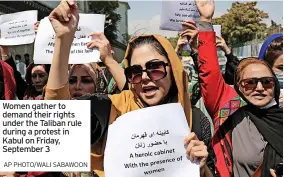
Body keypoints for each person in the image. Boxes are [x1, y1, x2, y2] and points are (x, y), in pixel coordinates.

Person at [43, 0, 214, 176]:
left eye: (155, 67)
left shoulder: (196, 122)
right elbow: (56, 114)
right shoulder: (111, 109)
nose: (145, 77)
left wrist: (202, 169)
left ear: (174, 69)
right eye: (136, 71)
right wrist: (63, 40)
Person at [196, 1, 283, 176]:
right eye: (250, 82)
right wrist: (205, 21)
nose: (259, 87)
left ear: (275, 85)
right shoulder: (231, 110)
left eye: (266, 82)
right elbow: (210, 73)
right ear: (239, 88)